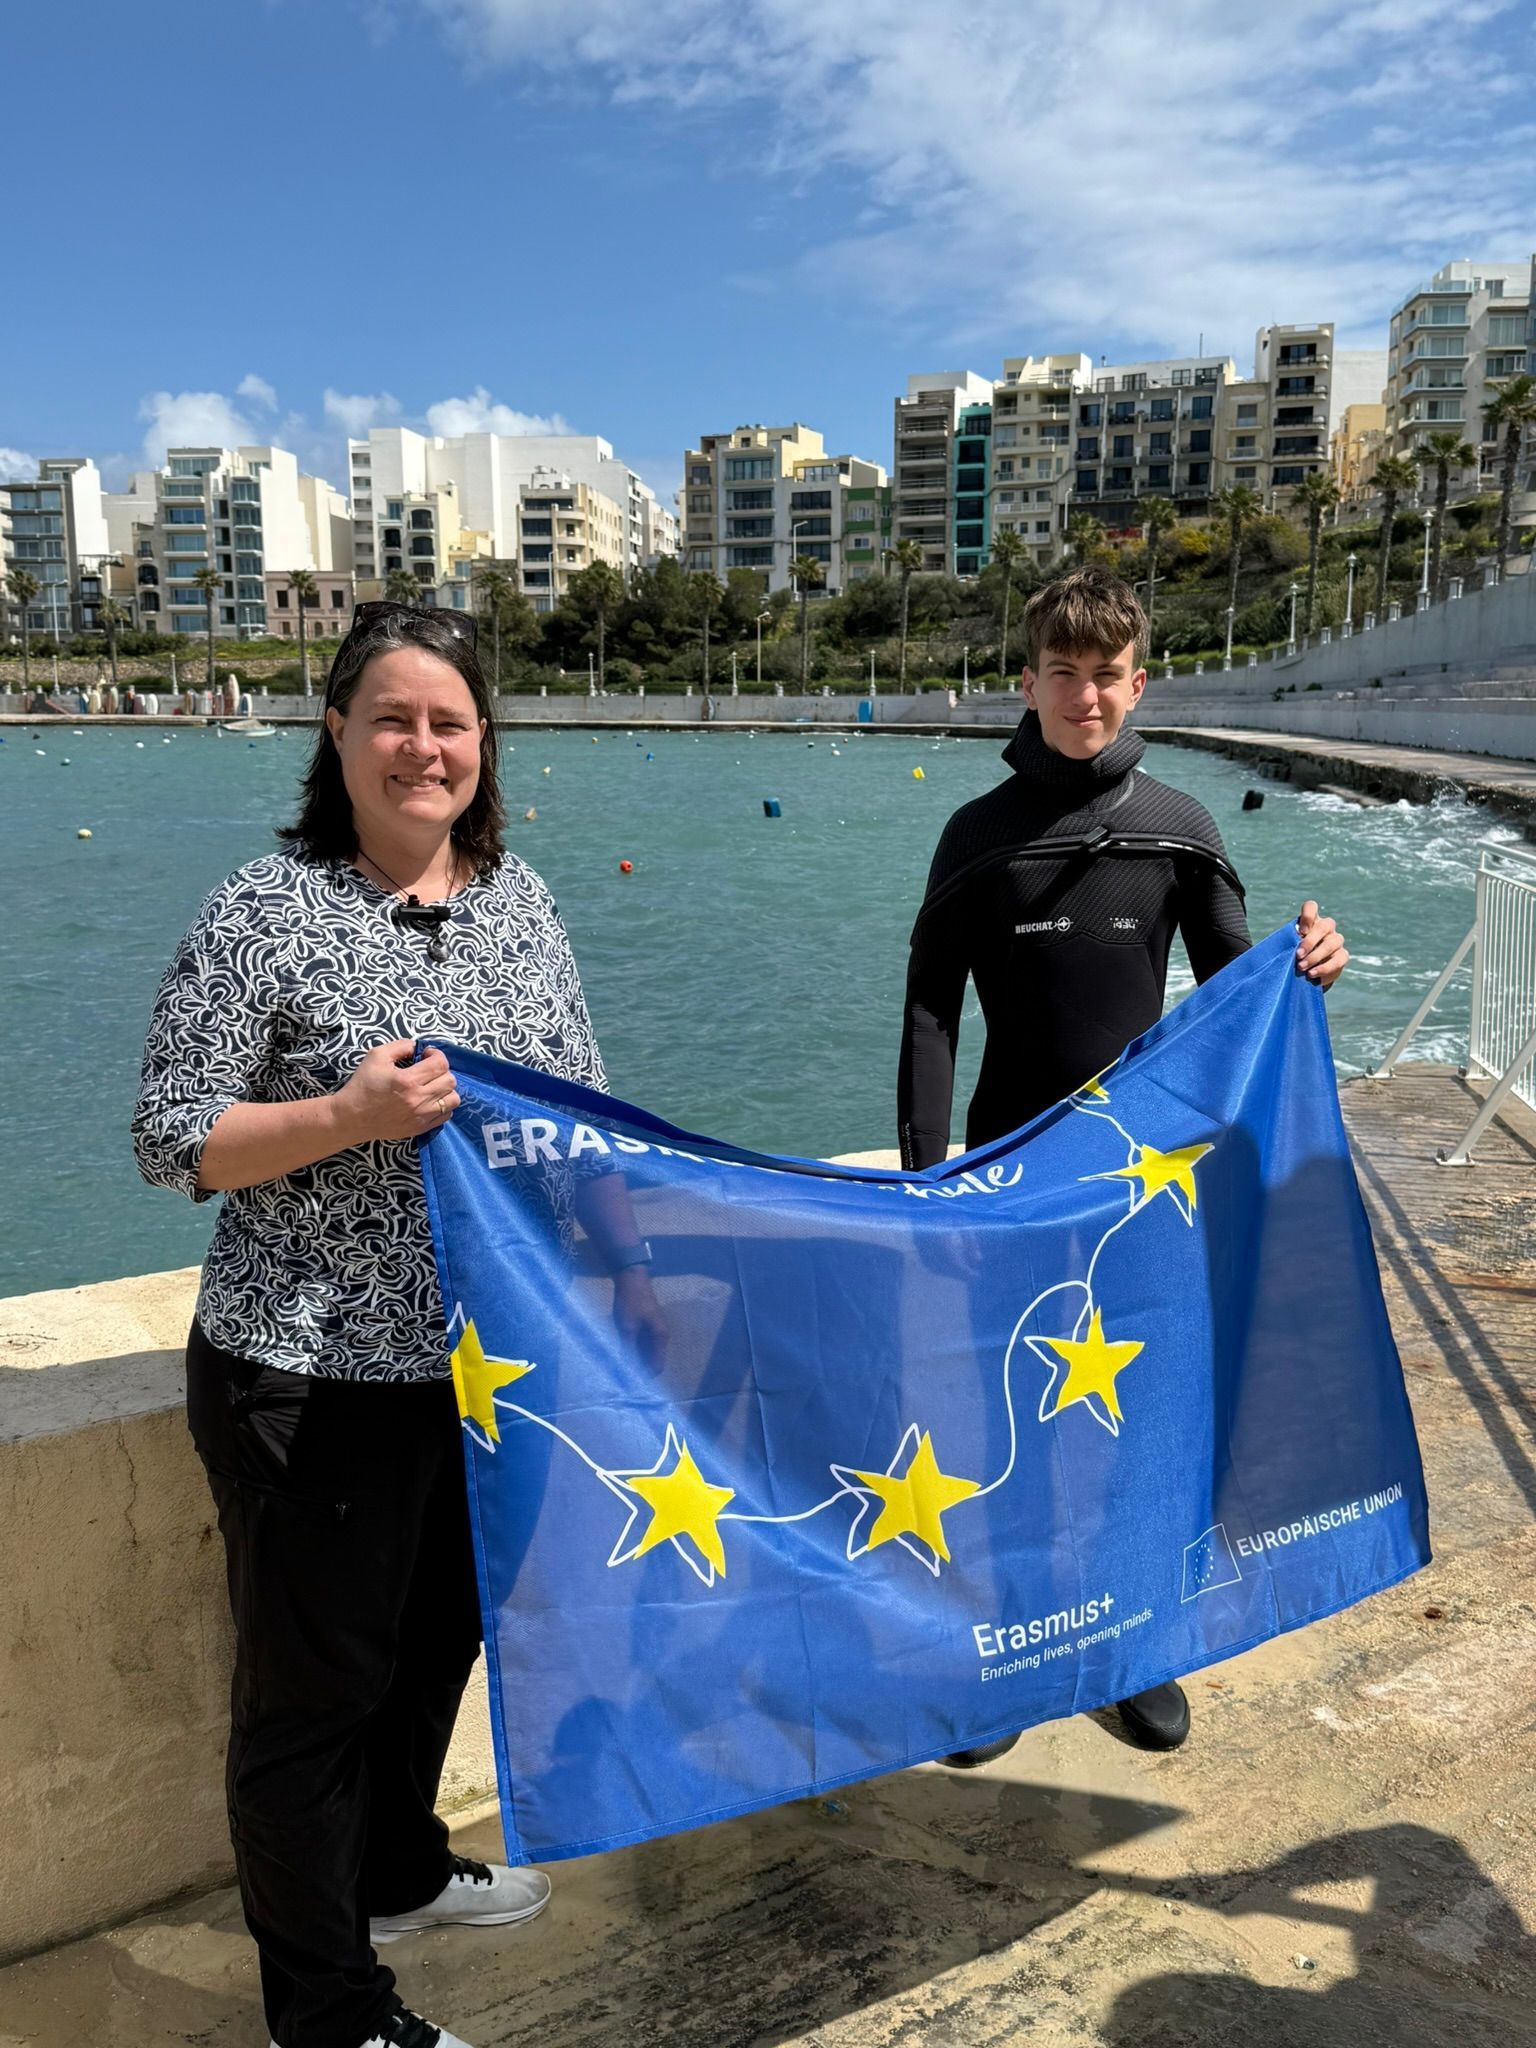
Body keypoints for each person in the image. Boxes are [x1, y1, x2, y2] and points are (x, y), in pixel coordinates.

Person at [133, 601, 663, 2048]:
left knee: (434, 1650)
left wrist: (643, 1275)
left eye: (449, 721)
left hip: (481, 1371)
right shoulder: (266, 909)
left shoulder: (521, 903)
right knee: (310, 1707)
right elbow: (172, 1138)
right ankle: (327, 2009)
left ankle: (394, 1870)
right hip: (307, 1374)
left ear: (484, 744)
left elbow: (580, 1116)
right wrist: (342, 1115)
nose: (422, 747)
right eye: (392, 717)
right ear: (338, 733)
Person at [897, 567, 1348, 1765]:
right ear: (1029, 680)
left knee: (1142, 1420)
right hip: (1013, 1173)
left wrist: (1315, 963)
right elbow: (931, 1017)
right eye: (1064, 672)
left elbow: (1240, 992)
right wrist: (930, 1181)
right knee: (1016, 1429)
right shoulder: (977, 837)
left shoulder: (1180, 830)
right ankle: (1012, 1654)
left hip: (1147, 1187)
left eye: (1107, 675)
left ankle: (1131, 1646)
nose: (1086, 695)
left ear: (1136, 682)